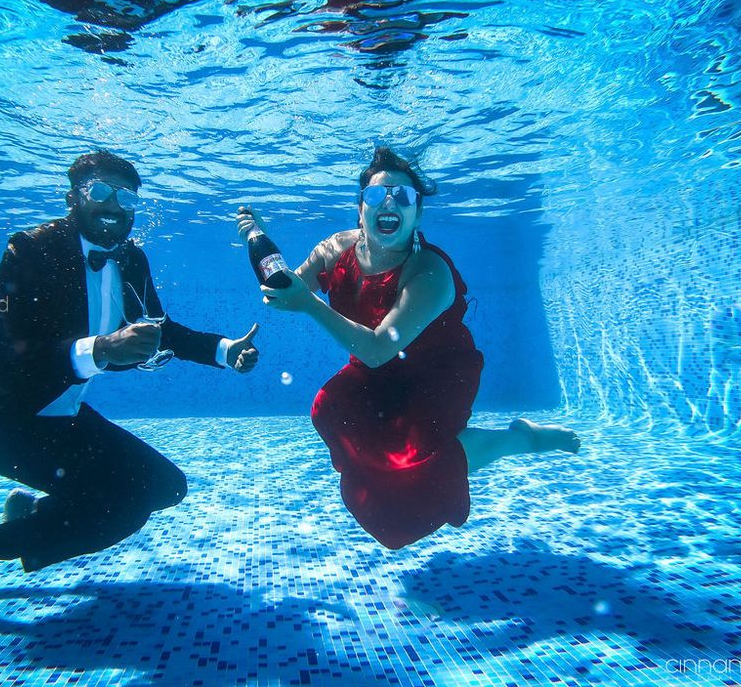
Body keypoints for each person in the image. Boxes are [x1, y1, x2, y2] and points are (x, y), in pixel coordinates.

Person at [0, 150, 260, 604]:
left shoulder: (132, 259)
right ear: (73, 197)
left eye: (126, 197)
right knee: (123, 508)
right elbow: (19, 347)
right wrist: (101, 348)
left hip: (65, 418)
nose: (114, 206)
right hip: (6, 422)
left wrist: (225, 350)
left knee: (166, 487)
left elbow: (161, 327)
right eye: (100, 192)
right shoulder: (30, 250)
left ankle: (32, 517)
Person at [236, 146, 579, 550]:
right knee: (329, 408)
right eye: (377, 196)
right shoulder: (335, 249)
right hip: (375, 370)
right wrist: (257, 237)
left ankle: (521, 439)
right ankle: (398, 473)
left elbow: (379, 346)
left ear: (418, 214)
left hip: (436, 376)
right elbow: (284, 292)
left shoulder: (429, 271)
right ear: (361, 209)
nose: (390, 203)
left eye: (404, 198)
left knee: (409, 466)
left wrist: (308, 303)